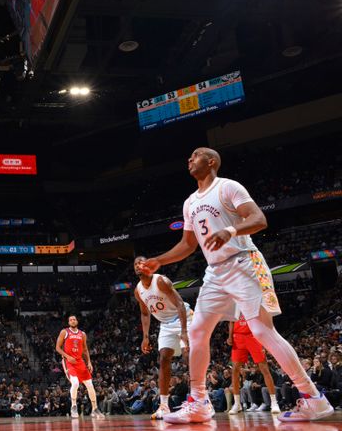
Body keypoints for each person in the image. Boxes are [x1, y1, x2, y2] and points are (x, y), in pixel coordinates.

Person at [139, 147, 334, 423]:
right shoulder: (189, 202)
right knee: (196, 331)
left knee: (262, 331)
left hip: (244, 262)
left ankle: (313, 397)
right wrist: (159, 260)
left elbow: (259, 219)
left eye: (196, 155)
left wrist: (230, 230)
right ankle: (199, 402)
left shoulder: (227, 187)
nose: (189, 159)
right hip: (215, 272)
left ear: (212, 161)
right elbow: (187, 244)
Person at [133, 257, 192, 419]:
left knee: (188, 355)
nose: (138, 266)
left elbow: (180, 304)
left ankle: (200, 399)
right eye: (136, 264)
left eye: (142, 263)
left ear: (149, 267)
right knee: (164, 359)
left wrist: (184, 330)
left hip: (183, 318)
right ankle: (164, 406)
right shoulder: (138, 290)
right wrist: (145, 337)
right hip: (165, 324)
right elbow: (145, 313)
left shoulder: (160, 281)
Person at [227, 313, 281, 413]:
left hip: (253, 335)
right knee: (235, 369)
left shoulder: (253, 298)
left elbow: (264, 317)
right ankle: (237, 403)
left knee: (264, 368)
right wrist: (230, 336)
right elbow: (231, 320)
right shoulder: (234, 300)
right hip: (238, 336)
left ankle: (274, 402)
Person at [55, 315, 105, 419]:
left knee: (90, 385)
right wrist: (68, 357)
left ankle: (95, 409)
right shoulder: (64, 332)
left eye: (74, 319)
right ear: (68, 322)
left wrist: (89, 362)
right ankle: (73, 406)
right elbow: (57, 348)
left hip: (80, 361)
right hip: (68, 361)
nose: (73, 321)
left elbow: (85, 350)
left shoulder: (82, 334)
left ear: (77, 321)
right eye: (70, 320)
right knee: (75, 383)